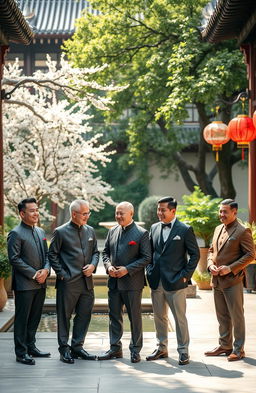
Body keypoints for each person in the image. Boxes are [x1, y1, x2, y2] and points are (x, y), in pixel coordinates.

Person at [146, 196, 200, 365]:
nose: (159, 213)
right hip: (156, 281)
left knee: (179, 318)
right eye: (158, 209)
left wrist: (185, 275)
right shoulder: (154, 228)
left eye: (163, 210)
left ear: (173, 211)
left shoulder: (184, 230)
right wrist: (149, 270)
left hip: (176, 282)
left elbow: (195, 255)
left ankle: (183, 351)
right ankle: (161, 348)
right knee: (159, 317)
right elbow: (150, 253)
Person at [98, 201, 151, 363]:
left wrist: (126, 269)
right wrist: (108, 267)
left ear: (131, 214)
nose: (118, 216)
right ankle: (115, 349)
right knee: (114, 317)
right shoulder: (112, 231)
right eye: (117, 213)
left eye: (122, 213)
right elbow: (105, 252)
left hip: (132, 283)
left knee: (134, 318)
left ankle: (135, 350)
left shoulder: (141, 233)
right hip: (113, 282)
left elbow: (147, 257)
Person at [49, 199, 99, 364]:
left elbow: (96, 253)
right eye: (84, 213)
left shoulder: (90, 231)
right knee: (64, 317)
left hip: (87, 283)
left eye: (88, 213)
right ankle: (64, 349)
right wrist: (62, 274)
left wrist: (93, 265)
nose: (87, 216)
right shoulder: (60, 232)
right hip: (68, 283)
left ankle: (77, 347)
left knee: (84, 316)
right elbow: (53, 254)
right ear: (74, 214)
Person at [205, 199, 255, 361]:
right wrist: (210, 264)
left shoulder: (242, 231)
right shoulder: (218, 228)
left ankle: (239, 349)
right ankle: (225, 346)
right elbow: (211, 251)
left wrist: (231, 268)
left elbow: (250, 255)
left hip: (233, 281)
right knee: (222, 316)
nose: (221, 215)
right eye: (220, 211)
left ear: (234, 212)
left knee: (236, 315)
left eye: (225, 211)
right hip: (216, 280)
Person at [7, 197, 51, 365]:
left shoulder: (40, 232)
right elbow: (14, 259)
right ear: (22, 213)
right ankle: (21, 352)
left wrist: (46, 270)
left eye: (37, 210)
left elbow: (48, 255)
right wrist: (35, 274)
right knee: (22, 319)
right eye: (31, 211)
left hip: (41, 282)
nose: (36, 213)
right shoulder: (15, 233)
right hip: (25, 284)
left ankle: (31, 346)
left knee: (35, 317)